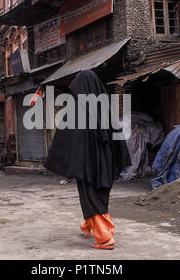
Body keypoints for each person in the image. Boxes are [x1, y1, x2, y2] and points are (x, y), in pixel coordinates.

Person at [44, 70, 131, 250]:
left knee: (90, 196)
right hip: (105, 162)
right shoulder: (105, 106)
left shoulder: (77, 108)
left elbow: (65, 138)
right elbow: (117, 137)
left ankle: (105, 238)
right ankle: (87, 226)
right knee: (99, 195)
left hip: (87, 163)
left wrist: (57, 158)